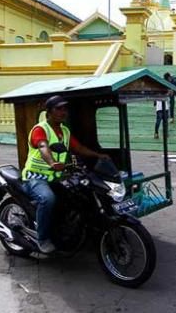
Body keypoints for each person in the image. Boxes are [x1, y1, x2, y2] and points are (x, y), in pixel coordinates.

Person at [21, 95, 112, 254]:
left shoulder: (64, 131)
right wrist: (51, 163)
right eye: (59, 109)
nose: (63, 112)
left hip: (57, 177)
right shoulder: (40, 129)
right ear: (48, 112)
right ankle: (43, 239)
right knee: (48, 199)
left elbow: (78, 148)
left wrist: (98, 155)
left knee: (77, 196)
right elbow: (43, 146)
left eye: (65, 108)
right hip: (35, 177)